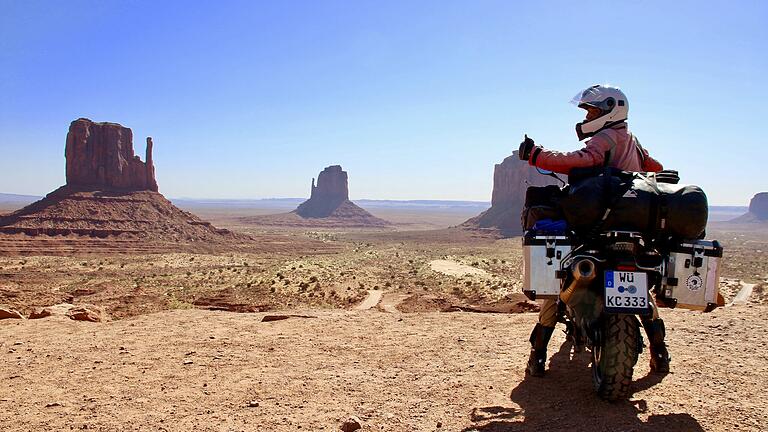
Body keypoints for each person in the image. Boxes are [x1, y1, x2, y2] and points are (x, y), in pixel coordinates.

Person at [517, 84, 670, 377]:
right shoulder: (630, 140)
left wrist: (537, 154)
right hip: (631, 232)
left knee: (558, 287)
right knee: (638, 288)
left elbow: (583, 159)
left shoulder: (606, 137)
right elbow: (656, 167)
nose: (587, 116)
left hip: (598, 229)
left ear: (609, 111)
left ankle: (538, 355)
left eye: (592, 110)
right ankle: (660, 353)